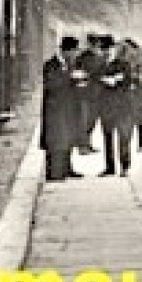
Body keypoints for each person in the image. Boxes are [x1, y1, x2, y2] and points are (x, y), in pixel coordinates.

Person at [40, 36, 85, 181]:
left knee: (68, 137)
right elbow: (52, 85)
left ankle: (67, 168)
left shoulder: (70, 65)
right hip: (56, 109)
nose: (75, 55)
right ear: (67, 51)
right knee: (56, 140)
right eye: (74, 51)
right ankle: (54, 172)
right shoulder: (50, 65)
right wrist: (70, 77)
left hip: (69, 107)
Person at [97, 37, 142, 176]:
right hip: (106, 106)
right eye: (103, 50)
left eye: (108, 49)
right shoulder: (100, 65)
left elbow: (127, 80)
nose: (106, 52)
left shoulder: (124, 64)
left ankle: (124, 166)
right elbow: (96, 81)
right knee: (108, 138)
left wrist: (112, 80)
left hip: (123, 106)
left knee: (123, 137)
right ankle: (110, 167)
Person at [73, 33, 105, 154]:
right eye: (95, 44)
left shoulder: (99, 58)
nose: (96, 46)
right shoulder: (82, 57)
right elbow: (77, 72)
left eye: (97, 44)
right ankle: (82, 146)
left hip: (96, 93)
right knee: (84, 120)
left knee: (92, 120)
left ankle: (87, 143)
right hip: (85, 93)